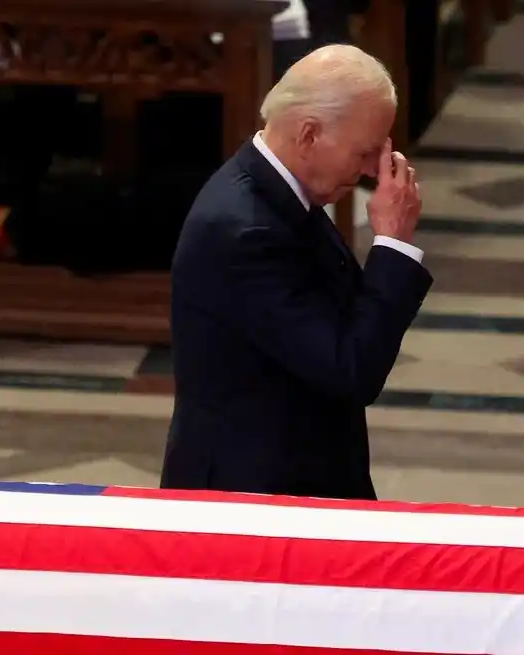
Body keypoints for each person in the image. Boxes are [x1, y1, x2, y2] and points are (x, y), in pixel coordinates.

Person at [160, 45, 431, 500]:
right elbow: (351, 369)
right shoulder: (247, 232)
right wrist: (393, 244)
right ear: (308, 135)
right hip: (251, 501)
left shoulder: (278, 195)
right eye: (364, 153)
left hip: (295, 476)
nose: (370, 171)